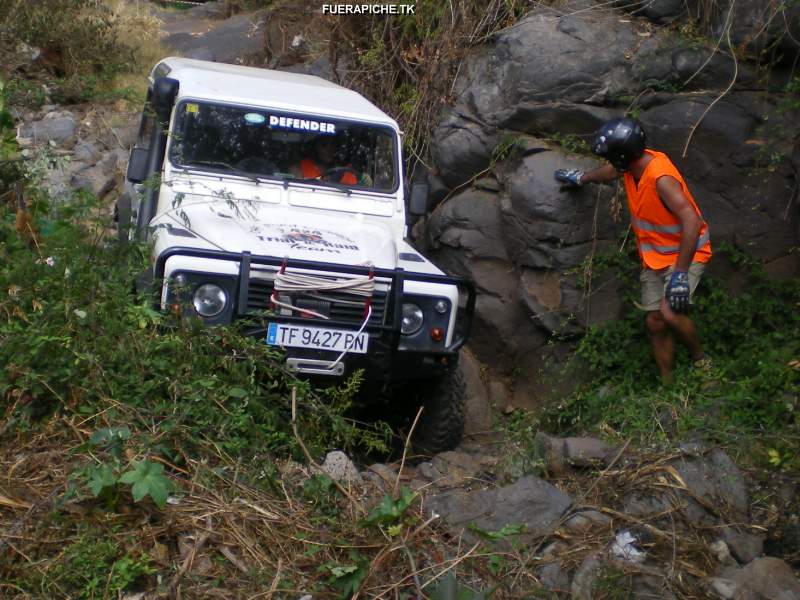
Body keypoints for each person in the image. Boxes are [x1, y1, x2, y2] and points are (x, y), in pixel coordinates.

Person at [554, 117, 712, 382]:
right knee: (655, 322)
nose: (612, 163)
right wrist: (583, 178)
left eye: (612, 156)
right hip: (655, 257)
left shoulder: (660, 177)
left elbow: (692, 221)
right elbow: (610, 171)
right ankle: (668, 383)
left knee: (670, 313)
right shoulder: (631, 166)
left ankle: (701, 360)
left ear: (622, 155)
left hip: (687, 253)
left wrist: (680, 274)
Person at [293, 135, 361, 185]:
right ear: (316, 147)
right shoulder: (300, 168)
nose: (329, 150)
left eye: (332, 145)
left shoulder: (346, 171)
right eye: (324, 145)